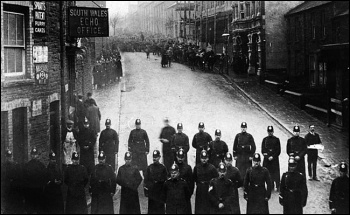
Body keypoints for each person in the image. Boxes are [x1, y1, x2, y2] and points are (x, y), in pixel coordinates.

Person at [23, 147, 47, 214]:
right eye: (33, 154)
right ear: (31, 155)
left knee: (39, 209)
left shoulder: (41, 166)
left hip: (39, 190)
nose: (34, 156)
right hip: (30, 191)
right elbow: (25, 179)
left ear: (37, 155)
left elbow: (44, 177)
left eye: (35, 154)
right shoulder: (27, 165)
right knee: (30, 209)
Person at [193, 150, 219, 214]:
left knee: (208, 207)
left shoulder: (212, 168)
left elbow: (216, 179)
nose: (204, 160)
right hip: (200, 189)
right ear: (200, 158)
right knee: (200, 207)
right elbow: (195, 178)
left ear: (208, 158)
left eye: (205, 158)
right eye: (202, 158)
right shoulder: (197, 167)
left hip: (209, 189)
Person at [1, 149, 25, 214]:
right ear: (5, 157)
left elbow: (18, 177)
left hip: (13, 189)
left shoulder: (15, 165)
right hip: (6, 189)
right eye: (7, 157)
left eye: (10, 156)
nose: (9, 158)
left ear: (11, 157)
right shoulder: (3, 166)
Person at [262, 125, 281, 191]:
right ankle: (270, 185)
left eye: (271, 131)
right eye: (269, 132)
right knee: (268, 173)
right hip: (267, 160)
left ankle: (278, 185)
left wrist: (273, 156)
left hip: (274, 160)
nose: (270, 133)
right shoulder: (265, 140)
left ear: (273, 132)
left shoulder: (276, 140)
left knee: (275, 173)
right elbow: (263, 150)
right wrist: (267, 157)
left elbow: (278, 150)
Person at [175, 149, 194, 214]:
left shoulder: (188, 168)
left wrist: (189, 194)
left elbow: (191, 183)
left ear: (184, 157)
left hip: (185, 195)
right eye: (179, 157)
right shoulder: (174, 167)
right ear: (176, 157)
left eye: (181, 157)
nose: (180, 159)